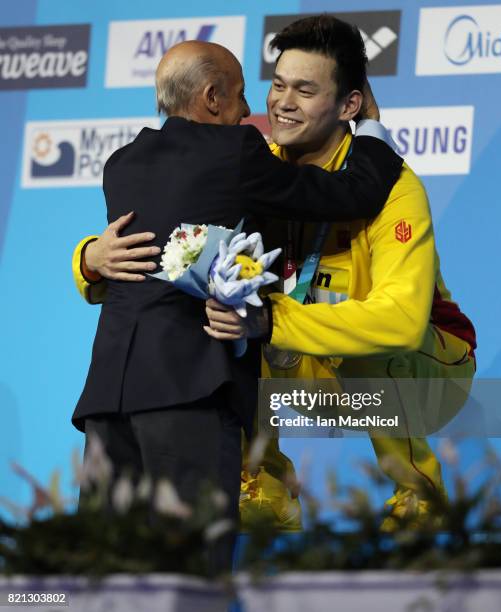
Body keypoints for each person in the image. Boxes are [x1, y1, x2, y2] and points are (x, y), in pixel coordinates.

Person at [71, 35, 403, 567]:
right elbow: (350, 195)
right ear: (211, 98)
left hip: (108, 398)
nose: (252, 110)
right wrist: (371, 130)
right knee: (192, 573)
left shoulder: (122, 163)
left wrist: (87, 257)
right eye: (242, 94)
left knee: (105, 577)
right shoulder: (235, 153)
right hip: (189, 391)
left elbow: (130, 254)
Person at [204, 15, 477, 531]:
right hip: (303, 365)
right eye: (278, 86)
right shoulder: (259, 169)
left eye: (305, 90)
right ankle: (262, 492)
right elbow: (175, 231)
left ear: (349, 105)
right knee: (216, 316)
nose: (284, 102)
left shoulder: (395, 189)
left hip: (425, 368)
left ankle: (419, 500)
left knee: (373, 342)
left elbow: (399, 323)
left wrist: (272, 321)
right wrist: (92, 262)